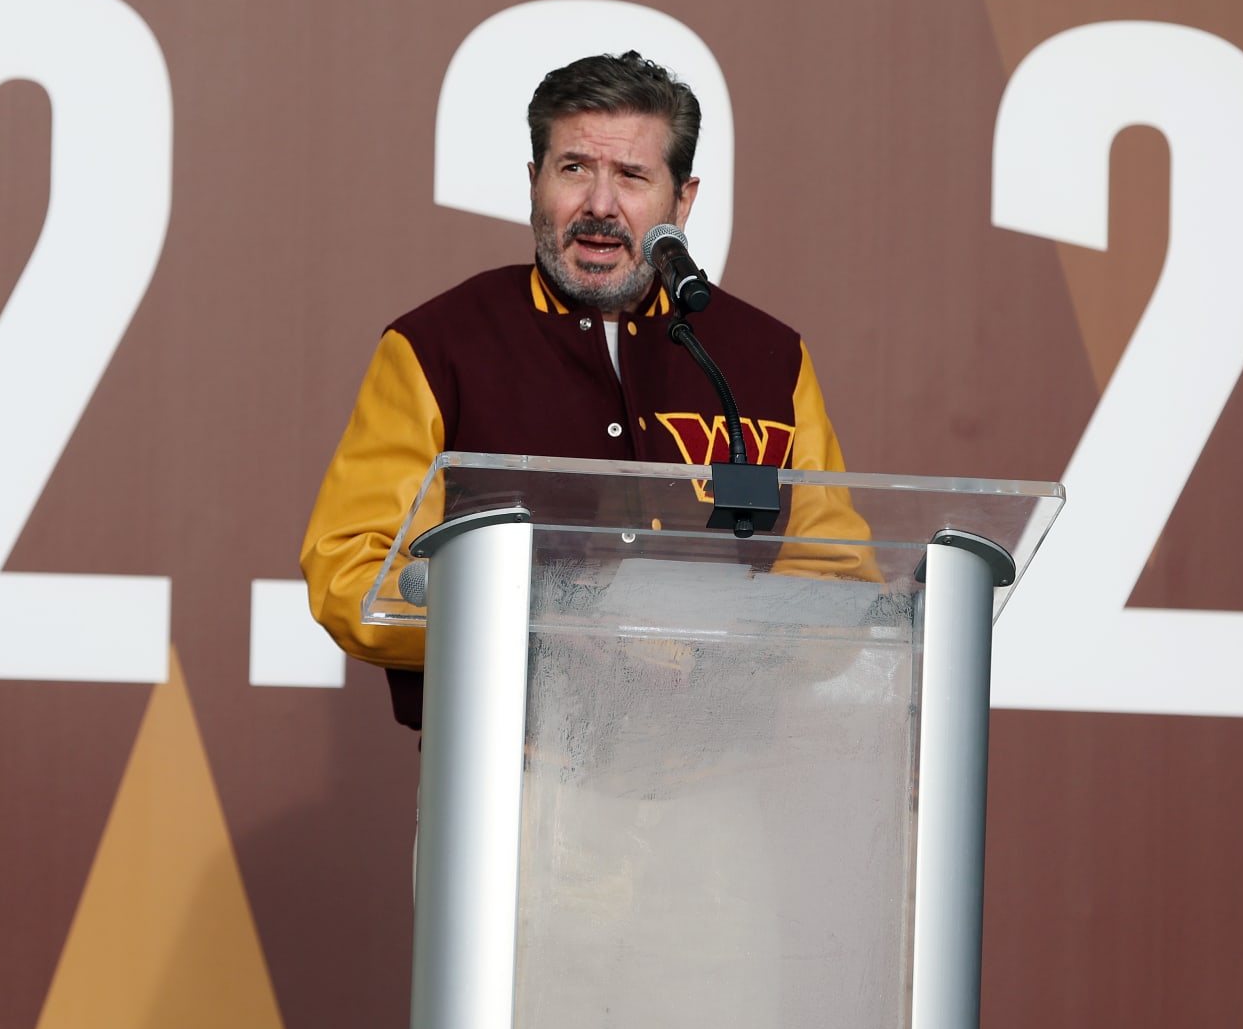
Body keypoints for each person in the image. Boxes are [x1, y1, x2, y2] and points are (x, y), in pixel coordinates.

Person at [300, 51, 868, 728]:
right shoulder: (438, 345)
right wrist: (536, 625)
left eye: (632, 176)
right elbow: (350, 572)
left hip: (727, 784)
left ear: (681, 200)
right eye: (574, 169)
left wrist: (720, 651)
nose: (600, 205)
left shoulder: (766, 357)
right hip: (509, 779)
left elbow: (838, 577)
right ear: (535, 181)